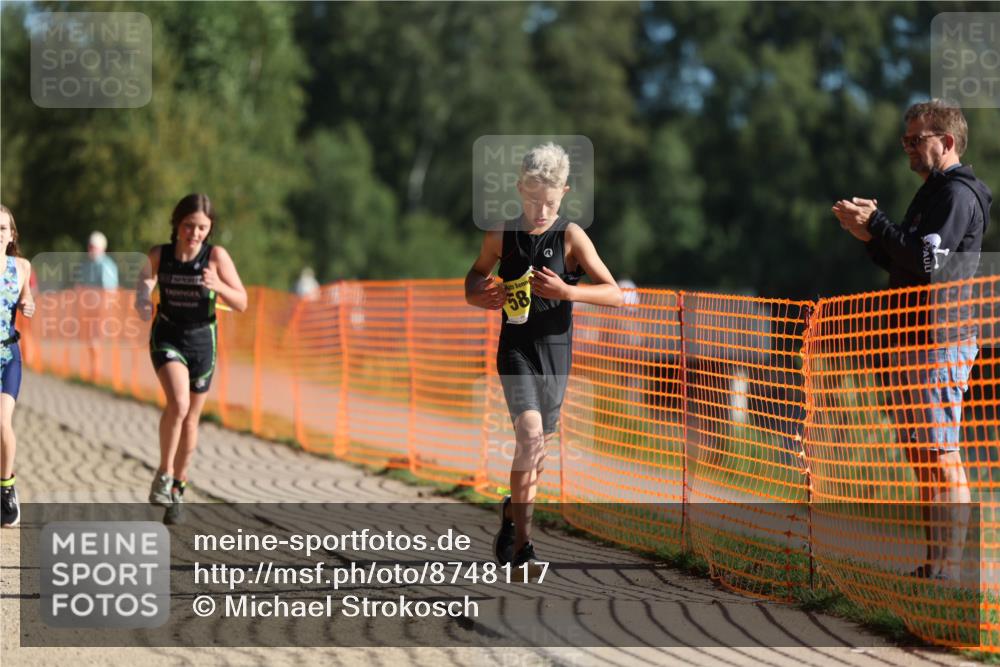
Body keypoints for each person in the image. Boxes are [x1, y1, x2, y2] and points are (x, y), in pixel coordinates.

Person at [833, 100, 992, 580]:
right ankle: (936, 563)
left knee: (941, 453)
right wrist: (869, 238)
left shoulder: (958, 194)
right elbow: (905, 262)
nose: (906, 146)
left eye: (914, 139)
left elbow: (927, 260)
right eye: (905, 139)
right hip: (911, 337)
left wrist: (877, 225)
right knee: (922, 454)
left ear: (945, 142)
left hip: (940, 339)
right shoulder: (932, 192)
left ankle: (949, 569)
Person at [465, 143, 623, 567]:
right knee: (530, 437)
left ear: (564, 192)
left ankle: (513, 518)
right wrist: (480, 295)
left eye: (549, 202)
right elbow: (475, 276)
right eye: (532, 200)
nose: (540, 210)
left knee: (538, 455)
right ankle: (524, 549)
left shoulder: (571, 236)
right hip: (515, 350)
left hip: (556, 355)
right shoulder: (501, 234)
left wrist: (568, 291)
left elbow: (616, 294)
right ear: (519, 188)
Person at [135, 194, 247, 522]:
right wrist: (142, 297)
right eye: (188, 226)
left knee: (191, 419)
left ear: (209, 229)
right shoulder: (161, 254)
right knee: (179, 404)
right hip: (168, 335)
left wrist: (219, 287)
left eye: (201, 228)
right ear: (177, 224)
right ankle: (164, 472)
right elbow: (144, 279)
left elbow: (242, 301)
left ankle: (178, 491)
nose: (194, 234)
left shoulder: (216, 258)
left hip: (203, 341)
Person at [0, 205, 35, 527]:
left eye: (2, 229)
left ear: (12, 235)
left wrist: (28, 305)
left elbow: (28, 301)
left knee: (2, 421)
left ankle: (7, 487)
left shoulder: (21, 267)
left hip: (7, 355)